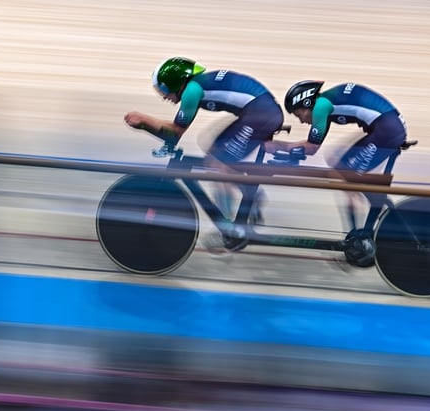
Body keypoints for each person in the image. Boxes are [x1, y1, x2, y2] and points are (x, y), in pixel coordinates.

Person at [124, 57, 284, 251]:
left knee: (218, 164)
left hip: (261, 114)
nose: (164, 96)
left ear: (176, 82)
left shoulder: (192, 90)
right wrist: (146, 125)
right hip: (259, 112)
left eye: (164, 90)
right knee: (213, 152)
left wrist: (143, 120)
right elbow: (174, 132)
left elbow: (175, 131)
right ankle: (250, 193)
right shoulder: (196, 86)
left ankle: (230, 230)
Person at [263, 80, 408, 267]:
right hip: (387, 127)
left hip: (387, 131)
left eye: (299, 114)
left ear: (306, 103)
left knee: (345, 176)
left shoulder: (321, 107)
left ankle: (360, 242)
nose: (301, 120)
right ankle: (362, 227)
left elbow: (311, 147)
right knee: (336, 162)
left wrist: (276, 146)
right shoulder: (325, 105)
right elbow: (313, 147)